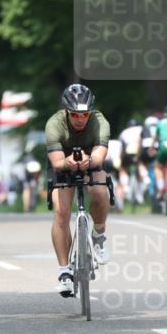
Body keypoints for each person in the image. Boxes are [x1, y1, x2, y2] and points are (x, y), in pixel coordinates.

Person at [45, 83, 111, 296]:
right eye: (75, 115)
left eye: (84, 115)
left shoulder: (100, 123)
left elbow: (100, 157)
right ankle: (65, 271)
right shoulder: (54, 124)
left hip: (91, 159)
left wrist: (88, 161)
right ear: (66, 112)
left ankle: (98, 235)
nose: (80, 119)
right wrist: (69, 163)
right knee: (61, 211)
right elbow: (56, 162)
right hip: (62, 162)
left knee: (100, 193)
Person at [118, 118, 145, 205]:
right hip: (139, 152)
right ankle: (142, 189)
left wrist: (121, 159)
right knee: (141, 165)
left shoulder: (124, 132)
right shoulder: (141, 128)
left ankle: (126, 187)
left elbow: (121, 146)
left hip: (127, 153)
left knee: (123, 169)